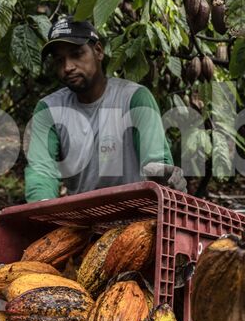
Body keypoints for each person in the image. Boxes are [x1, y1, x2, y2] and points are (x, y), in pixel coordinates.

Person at [24, 16, 186, 202]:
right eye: (60, 60)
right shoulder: (49, 110)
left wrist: (163, 176)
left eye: (76, 54)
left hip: (137, 215)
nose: (67, 67)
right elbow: (41, 172)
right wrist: (42, 210)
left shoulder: (134, 98)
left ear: (98, 51)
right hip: (82, 220)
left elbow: (154, 160)